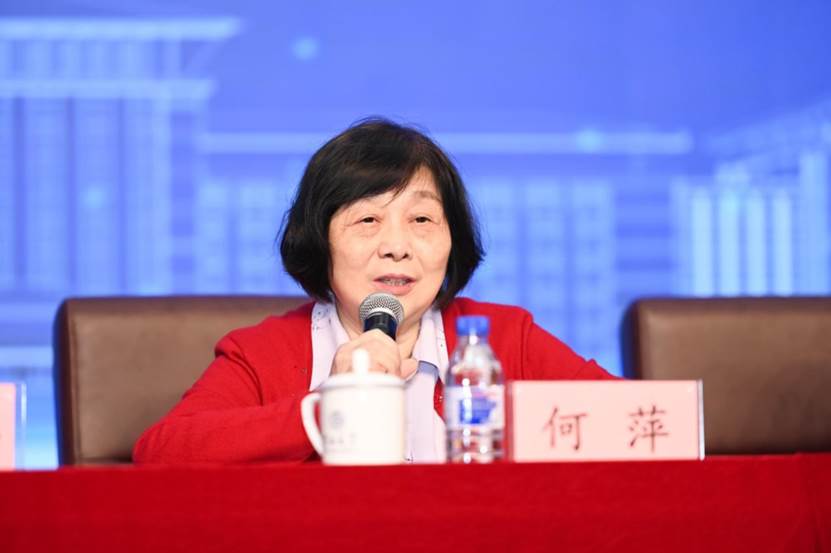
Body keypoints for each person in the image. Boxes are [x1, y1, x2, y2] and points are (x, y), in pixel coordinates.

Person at [133, 118, 616, 465]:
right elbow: (162, 452)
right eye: (367, 220)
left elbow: (635, 425)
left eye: (421, 219)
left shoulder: (504, 339)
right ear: (320, 240)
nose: (396, 247)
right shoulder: (263, 352)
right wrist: (328, 411)